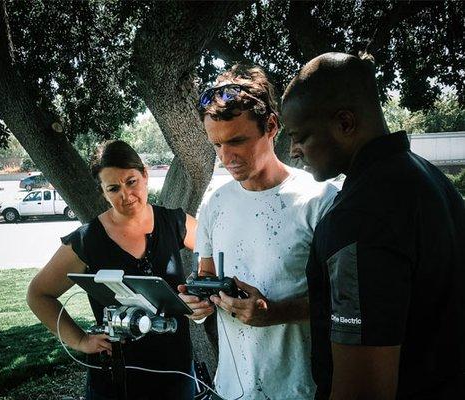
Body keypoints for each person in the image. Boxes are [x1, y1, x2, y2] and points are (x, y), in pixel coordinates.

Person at [281, 52, 465, 399]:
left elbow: (363, 390)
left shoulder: (358, 217)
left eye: (299, 136)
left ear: (345, 123)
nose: (293, 151)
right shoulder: (428, 179)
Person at [178, 65, 338, 400]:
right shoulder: (214, 203)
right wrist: (196, 303)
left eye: (237, 141)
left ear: (271, 126)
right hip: (231, 389)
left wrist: (276, 312)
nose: (226, 157)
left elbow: (347, 301)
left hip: (301, 390)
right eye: (217, 145)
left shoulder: (319, 201)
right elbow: (205, 277)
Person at [27, 140, 197, 400]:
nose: (126, 195)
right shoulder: (87, 240)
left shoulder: (174, 222)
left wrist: (205, 287)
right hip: (116, 379)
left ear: (145, 175)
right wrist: (81, 341)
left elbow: (222, 248)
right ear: (103, 192)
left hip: (176, 372)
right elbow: (38, 294)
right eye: (113, 188)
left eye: (131, 182)